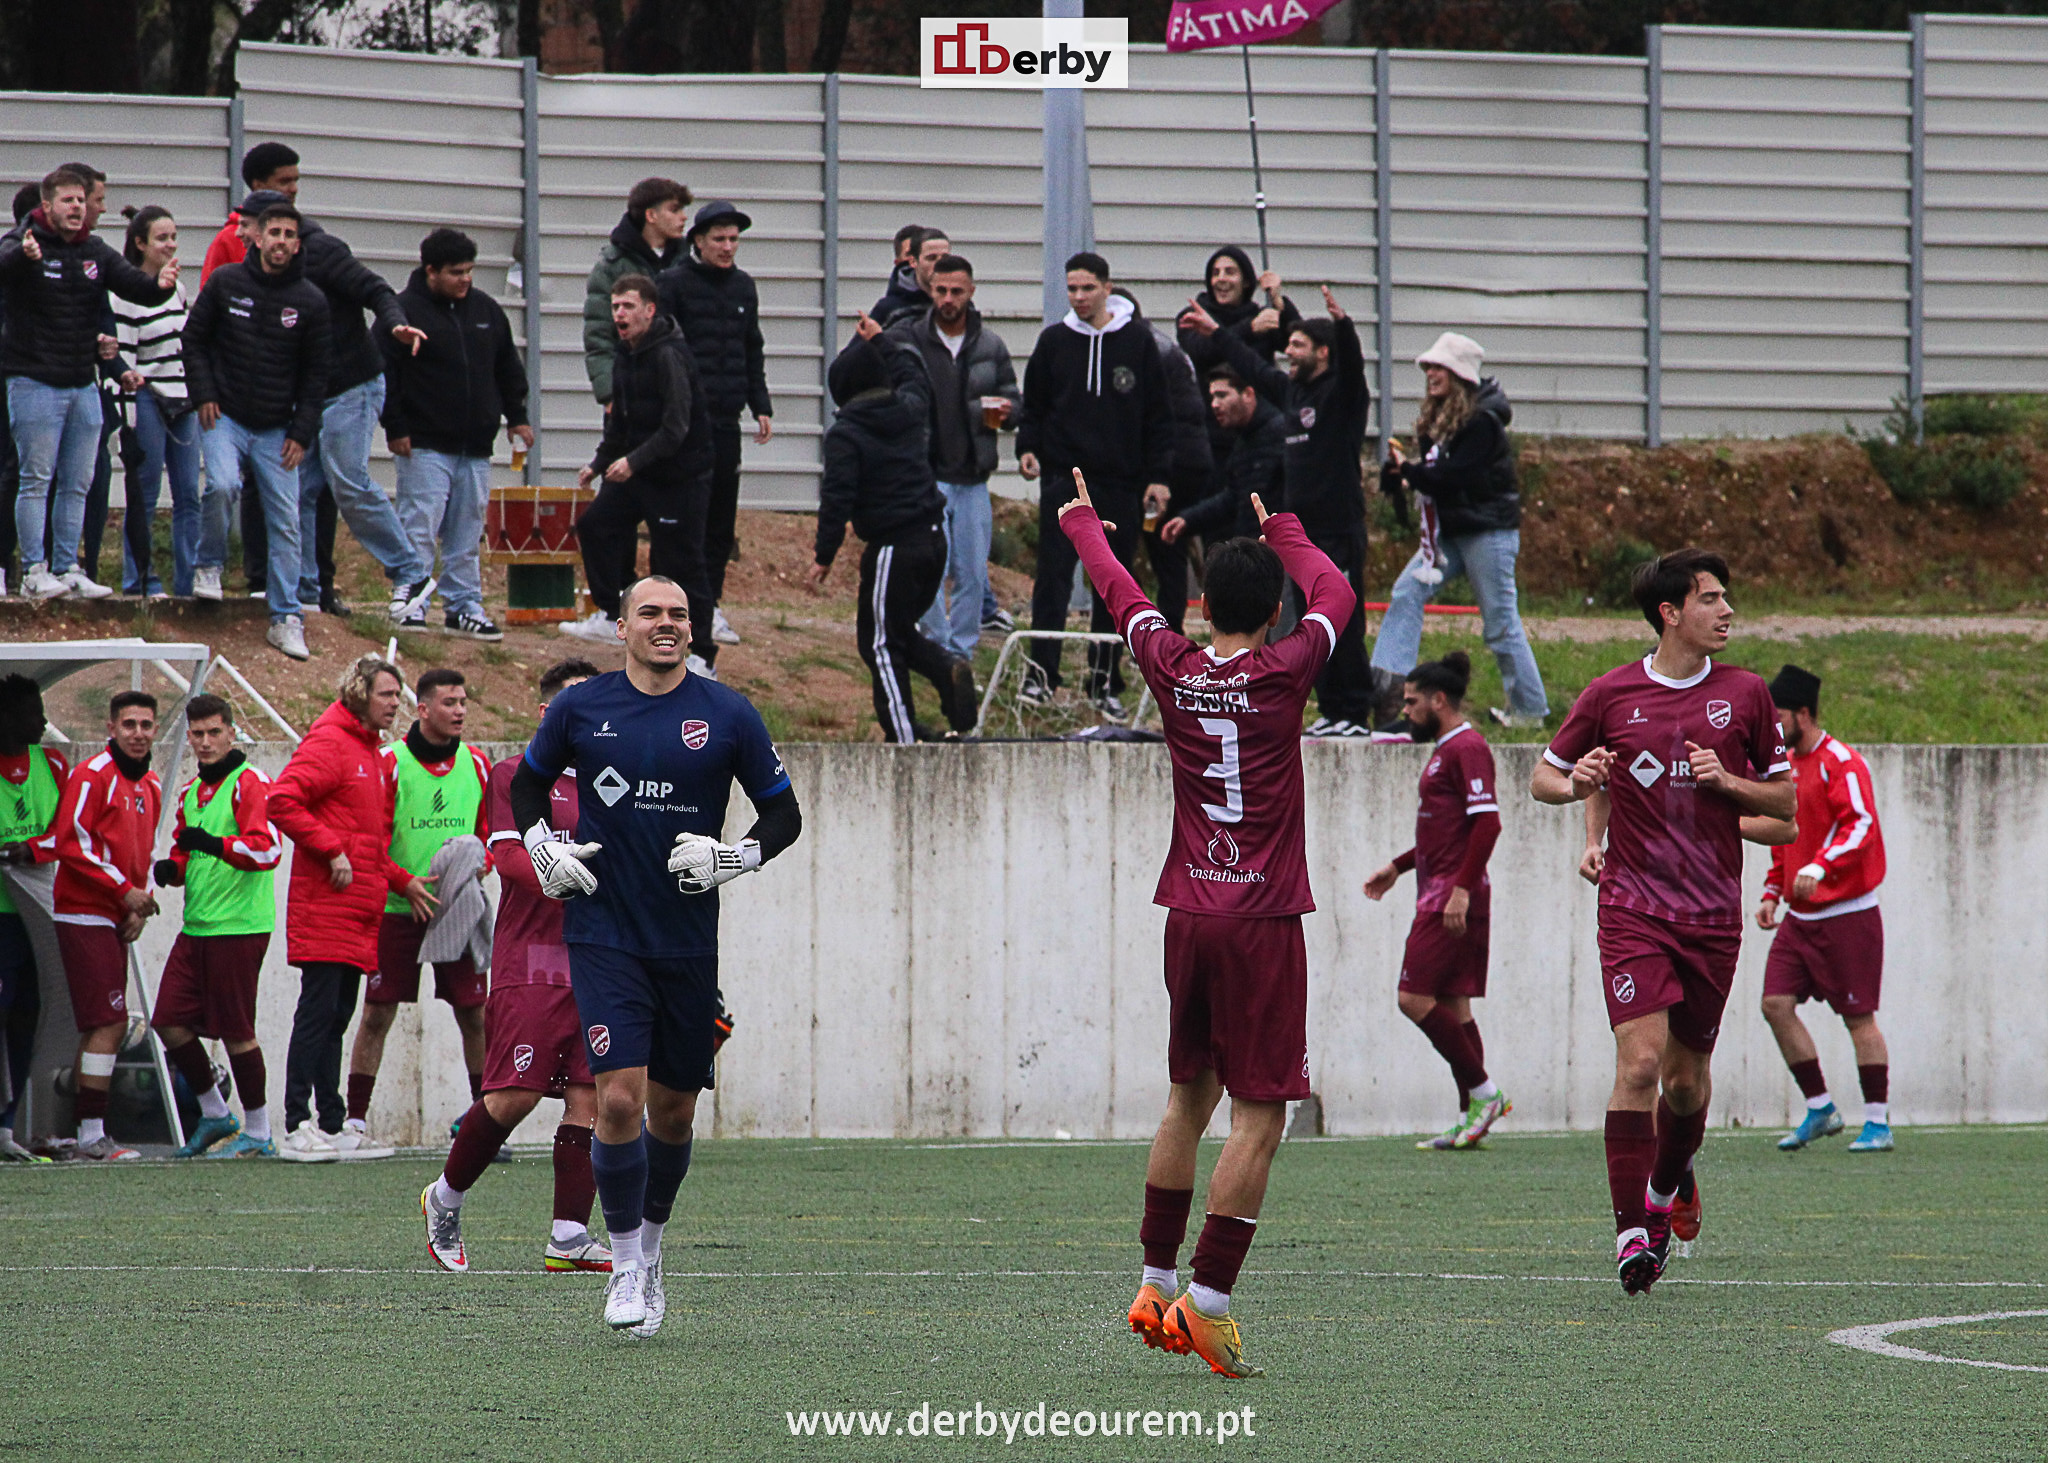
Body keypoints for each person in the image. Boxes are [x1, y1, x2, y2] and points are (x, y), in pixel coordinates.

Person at [1057, 469, 1354, 1379]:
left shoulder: (1171, 663)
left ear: (1201, 605)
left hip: (1187, 910)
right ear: (1274, 610)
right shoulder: (1287, 667)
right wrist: (1287, 528)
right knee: (1264, 1113)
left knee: (1191, 1096)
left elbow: (1120, 589)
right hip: (1261, 917)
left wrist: (1078, 522)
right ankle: (1209, 1305)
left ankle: (1153, 1280)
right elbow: (1336, 590)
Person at [510, 576, 803, 1335]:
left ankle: (655, 1245)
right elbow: (528, 787)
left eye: (679, 612)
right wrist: (543, 850)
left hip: (685, 940)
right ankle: (627, 1262)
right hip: (603, 930)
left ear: (692, 627)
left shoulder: (728, 711)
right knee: (617, 1099)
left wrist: (731, 859)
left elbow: (785, 813)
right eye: (652, 613)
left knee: (673, 1113)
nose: (667, 624)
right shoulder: (582, 707)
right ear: (622, 626)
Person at [1530, 548, 1794, 1295]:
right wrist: (1575, 783)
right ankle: (1630, 1233)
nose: (1727, 610)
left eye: (1727, 596)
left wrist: (1729, 780)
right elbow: (1543, 776)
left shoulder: (1746, 695)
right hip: (1633, 907)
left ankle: (1664, 1187)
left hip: (1712, 917)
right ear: (1670, 613)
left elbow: (1787, 807)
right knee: (1641, 1064)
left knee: (1685, 1085)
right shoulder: (1612, 692)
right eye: (1711, 598)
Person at [422, 657, 614, 1275]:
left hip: (602, 963)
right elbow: (506, 859)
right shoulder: (515, 775)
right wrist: (571, 878)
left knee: (592, 1094)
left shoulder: (621, 781)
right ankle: (444, 1198)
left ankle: (568, 1236)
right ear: (548, 713)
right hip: (533, 963)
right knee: (514, 1096)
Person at [1185, 286, 1374, 736]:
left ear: (1323, 352)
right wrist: (1218, 333)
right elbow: (1253, 369)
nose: (1287, 351)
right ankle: (1331, 710)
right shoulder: (1294, 394)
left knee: (1344, 622)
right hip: (1306, 536)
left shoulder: (1342, 398)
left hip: (1339, 528)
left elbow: (1355, 370)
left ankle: (1354, 712)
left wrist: (1344, 325)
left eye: (1297, 345)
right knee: (1316, 620)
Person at [268, 655, 435, 1161]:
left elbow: (371, 844)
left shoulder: (374, 754)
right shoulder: (329, 742)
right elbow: (281, 801)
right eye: (387, 694)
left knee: (337, 1015)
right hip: (325, 908)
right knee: (317, 1014)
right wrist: (330, 849)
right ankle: (296, 1124)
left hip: (358, 911)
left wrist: (402, 882)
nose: (395, 705)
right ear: (360, 692)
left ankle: (333, 1125)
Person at [0, 167, 175, 601]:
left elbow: (136, 287)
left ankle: (68, 566)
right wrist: (24, 257)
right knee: (36, 478)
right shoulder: (24, 243)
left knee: (78, 480)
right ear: (47, 206)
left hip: (83, 383)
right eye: (68, 201)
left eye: (82, 200)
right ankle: (33, 570)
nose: (77, 208)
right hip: (34, 381)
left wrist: (161, 286)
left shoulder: (95, 250)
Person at [1361, 652, 1510, 1150]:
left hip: (1451, 895)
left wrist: (1461, 891)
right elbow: (1447, 829)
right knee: (1454, 1007)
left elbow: (1487, 823)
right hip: (1439, 889)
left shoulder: (1468, 747)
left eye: (1411, 701)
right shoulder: (1447, 748)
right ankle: (1473, 1112)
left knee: (1413, 998)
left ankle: (1485, 1094)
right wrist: (1399, 867)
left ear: (1438, 700)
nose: (1405, 710)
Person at [1015, 252, 1173, 717]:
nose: (1079, 297)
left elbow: (1160, 417)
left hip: (1120, 482)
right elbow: (1035, 407)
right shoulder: (1054, 342)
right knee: (1053, 578)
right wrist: (1028, 447)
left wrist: (1159, 477)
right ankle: (1040, 675)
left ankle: (1104, 680)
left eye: (1087, 288)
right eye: (1072, 289)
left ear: (1107, 288)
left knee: (1113, 583)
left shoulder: (1139, 343)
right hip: (1065, 479)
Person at [342, 668, 491, 1152]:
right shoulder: (389, 763)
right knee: (378, 1010)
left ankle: (483, 1122)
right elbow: (370, 840)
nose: (460, 711)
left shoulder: (479, 764)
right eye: (449, 702)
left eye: (464, 702)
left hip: (457, 910)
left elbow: (489, 835)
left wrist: (476, 866)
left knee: (474, 1012)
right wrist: (404, 882)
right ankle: (355, 1122)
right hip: (396, 906)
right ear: (422, 709)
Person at [808, 319, 978, 743]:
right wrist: (883, 340)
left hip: (894, 548)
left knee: (880, 644)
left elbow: (837, 498)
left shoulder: (846, 434)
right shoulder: (909, 409)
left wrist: (824, 555)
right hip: (935, 539)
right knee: (896, 631)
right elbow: (914, 374)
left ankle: (903, 738)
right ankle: (945, 668)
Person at [1371, 332, 1548, 728]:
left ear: (1460, 374)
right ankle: (1386, 686)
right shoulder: (1440, 417)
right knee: (1406, 592)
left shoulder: (1482, 422)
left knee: (1500, 624)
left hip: (1488, 532)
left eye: (1439, 367)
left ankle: (1530, 710)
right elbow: (1434, 476)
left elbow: (1450, 477)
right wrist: (1401, 476)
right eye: (1428, 367)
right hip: (1449, 532)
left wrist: (1411, 472)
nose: (1430, 373)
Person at [183, 202, 332, 661]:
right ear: (257, 238)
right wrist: (204, 392)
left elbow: (316, 375)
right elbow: (193, 340)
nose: (282, 242)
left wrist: (302, 432)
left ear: (297, 243)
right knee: (223, 484)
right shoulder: (227, 283)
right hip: (223, 414)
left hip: (276, 428)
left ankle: (286, 616)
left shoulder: (310, 300)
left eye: (290, 234)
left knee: (286, 519)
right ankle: (208, 566)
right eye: (275, 233)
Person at [1756, 664, 1894, 1154]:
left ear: (1804, 714)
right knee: (1774, 1004)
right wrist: (1774, 890)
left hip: (1848, 914)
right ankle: (1821, 1108)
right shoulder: (1787, 767)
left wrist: (1820, 867)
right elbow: (1783, 834)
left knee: (1858, 1019)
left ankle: (1877, 1122)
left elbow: (1860, 825)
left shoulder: (1843, 762)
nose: (1774, 728)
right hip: (1801, 918)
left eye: (1780, 718)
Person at [149, 695, 285, 1160]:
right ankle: (214, 1113)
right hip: (198, 926)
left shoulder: (250, 783)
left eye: (214, 732)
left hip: (239, 926)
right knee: (167, 1020)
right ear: (188, 737)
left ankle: (260, 1131)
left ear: (231, 732)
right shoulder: (191, 793)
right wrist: (174, 870)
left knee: (236, 1031)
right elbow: (189, 853)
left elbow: (267, 851)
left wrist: (212, 843)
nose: (206, 742)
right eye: (198, 734)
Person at [563, 275, 718, 676]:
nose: (619, 315)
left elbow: (676, 428)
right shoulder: (624, 355)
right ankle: (615, 611)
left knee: (679, 563)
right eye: (614, 307)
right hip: (639, 470)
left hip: (679, 476)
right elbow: (619, 426)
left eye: (627, 306)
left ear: (650, 310)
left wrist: (631, 462)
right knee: (597, 526)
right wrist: (597, 464)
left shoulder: (669, 355)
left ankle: (701, 652)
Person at [383, 227, 531, 641]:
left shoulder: (486, 311)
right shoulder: (403, 312)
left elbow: (507, 368)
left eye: (469, 271)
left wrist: (517, 417)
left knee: (466, 531)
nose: (465, 279)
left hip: (476, 448)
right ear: (430, 271)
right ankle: (411, 598)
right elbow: (386, 376)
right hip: (424, 443)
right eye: (455, 272)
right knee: (420, 525)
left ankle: (463, 605)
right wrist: (395, 427)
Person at [292, 203, 438, 624]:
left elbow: (376, 290)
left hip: (353, 385)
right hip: (315, 394)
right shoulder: (263, 272)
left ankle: (410, 572)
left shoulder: (323, 252)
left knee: (347, 480)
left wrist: (394, 324)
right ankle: (305, 587)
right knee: (301, 487)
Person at [883, 253, 1018, 662]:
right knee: (930, 570)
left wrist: (1007, 411)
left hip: (974, 476)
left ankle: (963, 650)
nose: (948, 299)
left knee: (973, 572)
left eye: (956, 291)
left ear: (971, 292)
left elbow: (1014, 399)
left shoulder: (990, 344)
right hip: (927, 477)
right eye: (940, 290)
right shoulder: (908, 338)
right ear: (930, 290)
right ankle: (936, 645)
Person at [51, 690, 163, 1161]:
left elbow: (141, 854)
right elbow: (69, 842)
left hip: (113, 916)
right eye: (129, 724)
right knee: (110, 1022)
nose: (138, 733)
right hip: (82, 911)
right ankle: (92, 1135)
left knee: (103, 1022)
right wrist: (124, 893)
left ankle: (79, 1129)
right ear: (111, 728)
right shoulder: (92, 775)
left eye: (146, 725)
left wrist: (137, 906)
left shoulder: (152, 785)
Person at [656, 199, 772, 649]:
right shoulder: (673, 284)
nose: (728, 247)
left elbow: (752, 348)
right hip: (685, 424)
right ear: (698, 242)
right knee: (689, 517)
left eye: (734, 239)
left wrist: (759, 403)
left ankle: (712, 605)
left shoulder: (744, 287)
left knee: (722, 518)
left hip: (727, 420)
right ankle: (676, 606)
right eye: (719, 239)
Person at [111, 205, 200, 598]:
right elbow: (126, 356)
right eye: (161, 238)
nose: (170, 245)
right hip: (148, 397)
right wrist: (130, 408)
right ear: (140, 244)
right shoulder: (127, 293)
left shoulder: (178, 289)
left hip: (183, 399)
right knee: (144, 491)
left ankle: (188, 582)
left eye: (174, 237)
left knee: (188, 494)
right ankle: (140, 579)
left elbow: (187, 343)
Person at [0, 676, 66, 1162]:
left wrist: (32, 849)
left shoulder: (54, 765)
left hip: (41, 914)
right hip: (0, 918)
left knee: (29, 1016)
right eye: (32, 711)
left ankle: (8, 1125)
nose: (42, 720)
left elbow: (71, 832)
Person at [1121, 289, 1212, 636]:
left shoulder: (1142, 348)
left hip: (1173, 460)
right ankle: (1170, 629)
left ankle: (1165, 634)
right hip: (1191, 456)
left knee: (1161, 545)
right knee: (1168, 544)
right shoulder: (1160, 343)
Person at [584, 178, 690, 408]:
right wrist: (610, 394)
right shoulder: (612, 266)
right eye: (674, 210)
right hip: (632, 390)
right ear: (651, 216)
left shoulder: (687, 260)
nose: (684, 217)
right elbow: (599, 335)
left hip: (681, 389)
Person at [1162, 366, 1286, 549]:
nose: (1214, 404)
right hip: (1260, 551)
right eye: (1212, 397)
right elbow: (1235, 496)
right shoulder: (1244, 442)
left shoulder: (1278, 434)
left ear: (1248, 394)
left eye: (1222, 395)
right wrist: (1188, 519)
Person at [1175, 247, 1300, 373]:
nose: (1221, 278)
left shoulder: (1261, 318)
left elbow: (1299, 345)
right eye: (1215, 273)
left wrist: (1279, 304)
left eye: (1230, 272)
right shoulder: (1194, 317)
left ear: (1246, 282)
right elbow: (1201, 351)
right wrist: (1249, 328)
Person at [201, 143, 299, 284]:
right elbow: (209, 292)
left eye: (295, 181)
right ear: (258, 186)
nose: (294, 189)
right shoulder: (229, 239)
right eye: (284, 182)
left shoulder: (302, 231)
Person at [869, 227, 949, 328]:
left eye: (945, 258)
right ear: (913, 262)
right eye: (931, 258)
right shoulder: (890, 309)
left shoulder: (960, 303)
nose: (939, 264)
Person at [870, 224, 927, 323]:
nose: (916, 259)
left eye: (922, 252)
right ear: (898, 263)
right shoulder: (887, 309)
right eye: (910, 254)